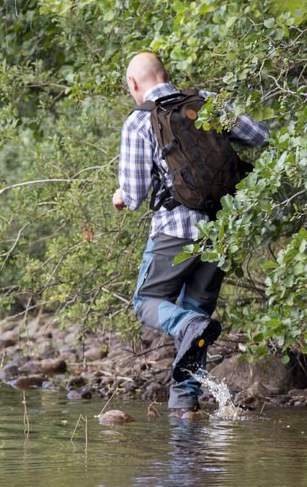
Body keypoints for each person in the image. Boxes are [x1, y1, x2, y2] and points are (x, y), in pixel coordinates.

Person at [111, 52, 268, 412]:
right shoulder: (207, 102)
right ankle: (185, 405)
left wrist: (120, 194)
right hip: (224, 227)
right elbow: (259, 136)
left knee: (147, 303)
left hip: (174, 231)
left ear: (133, 84)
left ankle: (191, 327)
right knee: (196, 312)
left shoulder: (138, 123)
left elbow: (134, 197)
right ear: (166, 74)